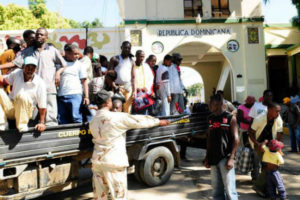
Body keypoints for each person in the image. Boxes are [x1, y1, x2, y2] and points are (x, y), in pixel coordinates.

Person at [89, 89, 170, 200]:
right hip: (114, 163)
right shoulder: (116, 117)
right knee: (119, 197)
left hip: (97, 162)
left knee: (100, 197)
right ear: (108, 102)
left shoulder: (93, 120)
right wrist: (159, 122)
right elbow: (138, 120)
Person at [12, 28, 67, 126]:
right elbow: (15, 63)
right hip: (32, 87)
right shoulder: (28, 51)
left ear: (46, 37)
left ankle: (51, 132)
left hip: (49, 85)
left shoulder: (52, 50)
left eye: (41, 34)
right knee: (32, 114)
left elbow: (64, 65)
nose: (38, 36)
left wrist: (58, 73)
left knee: (51, 116)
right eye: (37, 34)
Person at [204, 94, 239, 200]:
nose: (209, 105)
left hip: (225, 158)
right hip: (213, 158)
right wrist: (207, 157)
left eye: (212, 103)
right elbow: (209, 138)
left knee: (230, 191)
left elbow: (236, 139)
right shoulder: (210, 118)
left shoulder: (229, 118)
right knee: (216, 191)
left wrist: (231, 158)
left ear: (219, 103)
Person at [0, 56, 47, 132]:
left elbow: (42, 106)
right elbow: (4, 81)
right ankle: (2, 125)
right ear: (23, 67)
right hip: (13, 109)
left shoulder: (40, 83)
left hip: (28, 111)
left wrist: (42, 122)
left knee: (22, 95)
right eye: (27, 67)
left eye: (33, 68)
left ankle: (22, 126)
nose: (30, 70)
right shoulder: (16, 73)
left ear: (36, 69)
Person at [248, 102, 283, 197]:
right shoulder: (259, 118)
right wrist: (257, 144)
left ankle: (267, 189)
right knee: (269, 167)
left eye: (279, 111)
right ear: (270, 110)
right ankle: (260, 187)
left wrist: (278, 147)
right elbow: (250, 133)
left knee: (272, 167)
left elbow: (279, 133)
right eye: (276, 111)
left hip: (271, 144)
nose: (278, 113)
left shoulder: (278, 118)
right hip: (259, 144)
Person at [57, 44, 89, 124]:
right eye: (75, 54)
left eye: (78, 54)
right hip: (61, 96)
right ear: (67, 53)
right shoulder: (61, 64)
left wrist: (86, 97)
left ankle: (78, 136)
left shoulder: (80, 65)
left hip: (75, 95)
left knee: (76, 118)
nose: (77, 56)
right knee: (62, 120)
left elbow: (84, 82)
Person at [114, 41, 136, 113]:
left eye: (128, 48)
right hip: (117, 88)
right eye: (125, 48)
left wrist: (134, 91)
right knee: (117, 109)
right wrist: (114, 86)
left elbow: (133, 77)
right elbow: (109, 75)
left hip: (128, 88)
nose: (127, 49)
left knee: (127, 110)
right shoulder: (115, 59)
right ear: (121, 48)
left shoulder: (132, 61)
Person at [133, 50, 154, 114]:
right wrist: (136, 88)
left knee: (145, 111)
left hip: (144, 92)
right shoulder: (132, 65)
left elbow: (151, 78)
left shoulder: (146, 66)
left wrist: (147, 87)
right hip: (135, 92)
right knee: (136, 111)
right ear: (136, 56)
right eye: (140, 56)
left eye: (143, 57)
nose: (142, 58)